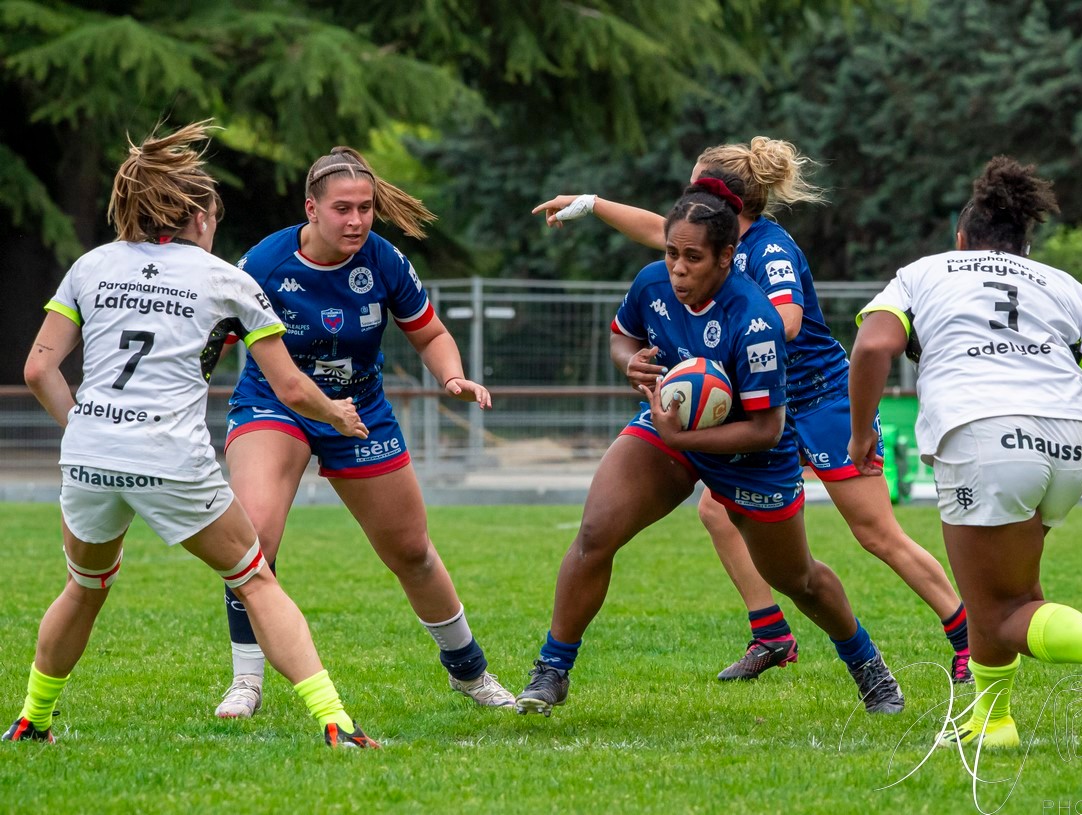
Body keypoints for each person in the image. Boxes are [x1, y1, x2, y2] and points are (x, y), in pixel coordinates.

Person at [532, 137, 971, 684]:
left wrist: (737, 339)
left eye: (698, 185)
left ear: (729, 202)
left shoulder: (769, 249)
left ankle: (965, 637)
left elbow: (784, 319)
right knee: (715, 512)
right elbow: (657, 231)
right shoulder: (706, 243)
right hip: (754, 396)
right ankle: (771, 633)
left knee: (875, 532)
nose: (688, 197)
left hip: (818, 397)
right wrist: (592, 204)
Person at [8, 121, 378, 748]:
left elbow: (39, 369)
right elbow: (290, 390)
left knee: (85, 586)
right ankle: (335, 720)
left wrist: (85, 427)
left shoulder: (91, 265)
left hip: (91, 455)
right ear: (199, 215)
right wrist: (337, 416)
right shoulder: (224, 278)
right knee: (255, 579)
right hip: (170, 457)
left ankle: (31, 718)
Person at [847, 155, 1082, 749]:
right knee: (1004, 595)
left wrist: (860, 434)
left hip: (985, 436)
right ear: (1025, 246)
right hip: (1071, 441)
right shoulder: (1063, 285)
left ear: (961, 239)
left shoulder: (924, 272)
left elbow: (874, 348)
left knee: (1001, 610)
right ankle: (994, 721)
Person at [213, 145, 515, 718]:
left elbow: (429, 335)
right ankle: (245, 682)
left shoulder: (384, 260)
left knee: (411, 551)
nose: (356, 221)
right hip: (275, 403)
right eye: (342, 209)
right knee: (255, 541)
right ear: (312, 209)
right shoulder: (264, 265)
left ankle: (470, 672)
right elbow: (215, 341)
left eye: (365, 208)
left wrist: (453, 377)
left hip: (360, 410)